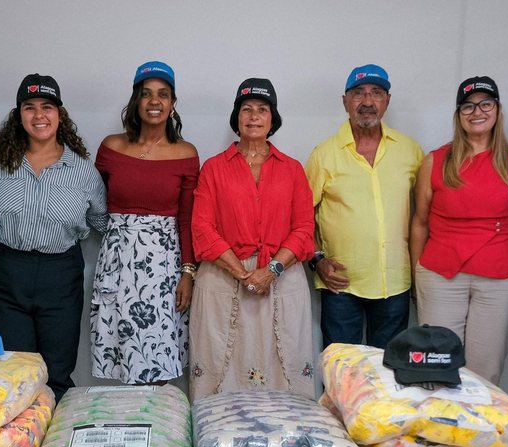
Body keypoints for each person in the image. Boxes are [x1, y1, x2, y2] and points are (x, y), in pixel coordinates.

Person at [408, 76, 508, 385]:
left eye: (486, 104)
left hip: (501, 279)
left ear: (497, 109)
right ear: (458, 115)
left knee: (484, 374)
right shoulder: (435, 160)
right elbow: (420, 222)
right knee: (438, 368)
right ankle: (440, 420)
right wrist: (416, 278)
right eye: (468, 106)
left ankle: (479, 420)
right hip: (441, 276)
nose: (477, 112)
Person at [0, 74, 107, 401]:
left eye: (47, 107)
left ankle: (58, 434)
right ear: (18, 114)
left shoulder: (83, 171)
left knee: (57, 372)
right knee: (12, 372)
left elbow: (101, 221)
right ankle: (21, 436)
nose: (39, 115)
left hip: (60, 275)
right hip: (6, 273)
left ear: (59, 114)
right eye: (30, 107)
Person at [189, 78, 316, 400]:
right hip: (223, 277)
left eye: (263, 109)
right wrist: (243, 273)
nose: (254, 116)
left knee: (283, 364)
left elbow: (304, 228)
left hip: (281, 277)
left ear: (273, 119)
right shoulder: (213, 168)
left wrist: (270, 271)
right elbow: (202, 228)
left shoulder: (292, 169)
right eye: (246, 109)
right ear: (237, 117)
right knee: (219, 364)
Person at [90, 61, 200, 384]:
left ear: (172, 103)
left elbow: (186, 219)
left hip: (163, 270)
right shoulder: (111, 148)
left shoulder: (186, 153)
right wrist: (120, 236)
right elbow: (93, 203)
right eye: (147, 94)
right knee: (120, 354)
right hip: (117, 264)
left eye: (163, 94)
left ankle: (159, 417)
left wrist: (188, 273)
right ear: (136, 100)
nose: (155, 101)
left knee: (157, 358)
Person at [305, 65, 424, 349]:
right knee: (340, 368)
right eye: (358, 93)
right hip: (340, 284)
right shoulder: (324, 154)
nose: (367, 101)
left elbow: (427, 215)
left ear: (387, 101)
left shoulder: (410, 151)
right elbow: (300, 216)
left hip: (394, 283)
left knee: (387, 369)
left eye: (376, 93)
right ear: (345, 101)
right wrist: (317, 259)